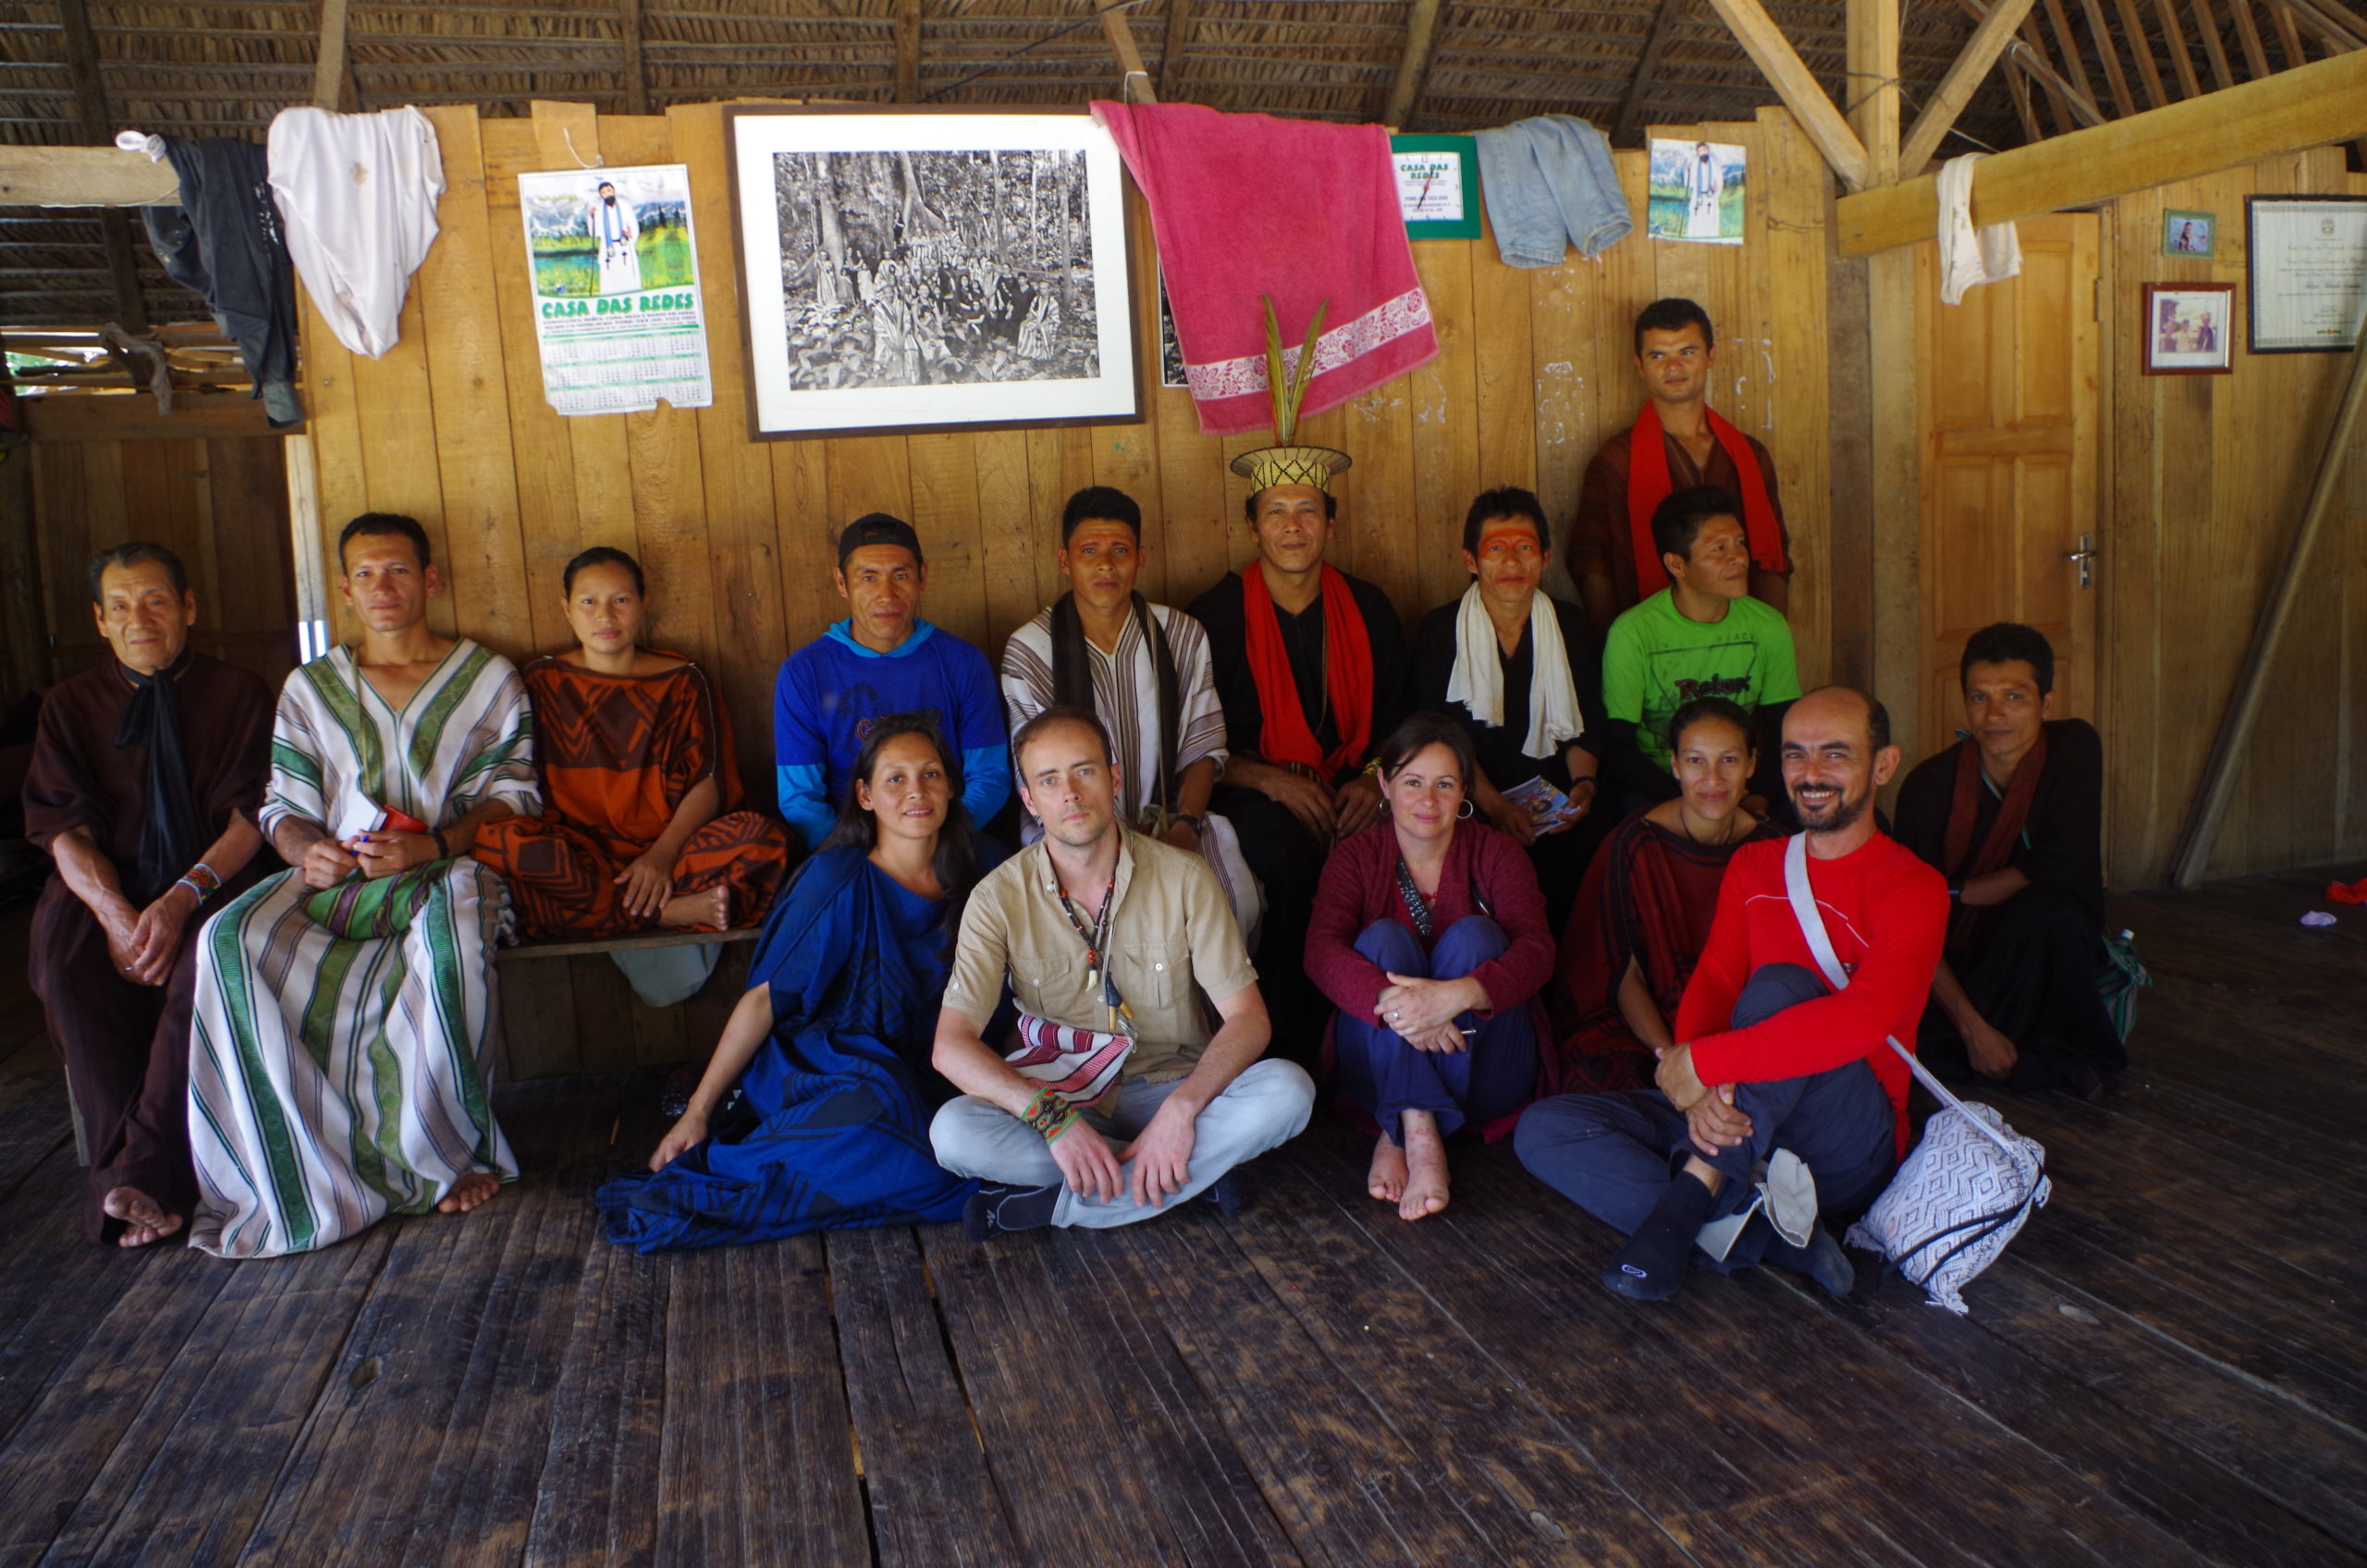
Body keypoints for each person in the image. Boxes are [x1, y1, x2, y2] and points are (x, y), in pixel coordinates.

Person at [1515, 687, 1946, 1302]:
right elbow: (1716, 981)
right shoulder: (1756, 864)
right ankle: (1762, 1237)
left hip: (1845, 1137)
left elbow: (1861, 1021)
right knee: (1546, 1128)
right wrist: (1698, 1087)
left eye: (1835, 754)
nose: (1811, 773)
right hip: (1741, 1110)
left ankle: (1693, 1194)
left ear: (1883, 765)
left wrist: (1702, 1064)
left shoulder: (1913, 885)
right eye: (1796, 754)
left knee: (1782, 985)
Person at [187, 513, 538, 1258]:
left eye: (399, 570)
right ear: (345, 589)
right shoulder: (311, 688)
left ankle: (446, 1157)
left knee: (453, 941)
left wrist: (432, 845)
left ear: (430, 580)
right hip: (335, 880)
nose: (383, 587)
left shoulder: (486, 678)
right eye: (366, 574)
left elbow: (515, 796)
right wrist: (306, 850)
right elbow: (281, 806)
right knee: (228, 937)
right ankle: (302, 1166)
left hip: (444, 869)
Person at [595, 716, 994, 1250]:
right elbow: (763, 1000)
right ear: (865, 795)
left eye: (931, 774)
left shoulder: (980, 873)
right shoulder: (837, 877)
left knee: (959, 1141)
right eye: (895, 778)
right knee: (879, 1106)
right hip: (821, 1064)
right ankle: (741, 1182)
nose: (916, 791)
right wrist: (697, 1113)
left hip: (926, 1065)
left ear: (951, 787)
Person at [928, 706, 1315, 1238]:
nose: (1070, 793)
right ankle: (1184, 1175)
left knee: (1289, 1090)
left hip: (1173, 1087)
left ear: (1113, 778)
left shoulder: (1185, 877)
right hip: (1063, 1096)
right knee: (953, 1133)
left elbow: (1248, 1018)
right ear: (1030, 800)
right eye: (1049, 780)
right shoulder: (996, 898)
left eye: (1084, 771)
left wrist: (1180, 1113)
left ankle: (1061, 1203)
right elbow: (950, 1046)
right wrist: (1053, 1121)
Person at [24, 544, 276, 1247]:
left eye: (157, 600)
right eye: (121, 606)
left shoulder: (239, 693)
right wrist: (116, 916)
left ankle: (136, 1177)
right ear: (100, 621)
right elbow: (64, 830)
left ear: (188, 608)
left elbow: (250, 819)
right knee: (66, 965)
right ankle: (134, 1177)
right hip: (107, 883)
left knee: (205, 958)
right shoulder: (70, 706)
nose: (140, 619)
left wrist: (180, 900)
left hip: (214, 875)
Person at [1187, 443, 1407, 1060]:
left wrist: (1371, 780)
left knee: (1392, 844)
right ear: (1252, 526)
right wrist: (1270, 781)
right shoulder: (1216, 615)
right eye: (1276, 512)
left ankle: (1380, 1033)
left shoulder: (1369, 607)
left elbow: (1400, 722)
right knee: (1282, 850)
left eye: (1308, 510)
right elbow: (1199, 739)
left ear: (1330, 523)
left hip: (1355, 782)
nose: (1293, 526)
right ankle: (1289, 1042)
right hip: (1251, 787)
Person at [1305, 714, 1555, 1222]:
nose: (1428, 800)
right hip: (1375, 1067)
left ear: (1465, 790)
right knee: (1382, 940)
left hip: (1488, 1071)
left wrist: (1455, 996)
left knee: (1475, 937)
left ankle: (1396, 1128)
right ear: (1384, 783)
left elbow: (1538, 952)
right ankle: (1417, 1131)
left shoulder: (1497, 853)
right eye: (1413, 782)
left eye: (1444, 784)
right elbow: (1320, 952)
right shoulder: (1356, 857)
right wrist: (1396, 1001)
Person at [472, 545, 790, 940]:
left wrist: (661, 856)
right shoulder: (542, 680)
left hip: (673, 851)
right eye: (589, 602)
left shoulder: (683, 680)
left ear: (644, 603)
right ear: (566, 608)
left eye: (621, 600)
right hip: (577, 855)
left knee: (763, 838)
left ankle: (605, 912)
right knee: (496, 845)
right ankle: (669, 912)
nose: (605, 616)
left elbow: (710, 780)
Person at [1000, 484, 1262, 939]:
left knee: (1233, 905)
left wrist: (1184, 828)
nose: (1106, 564)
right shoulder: (1030, 651)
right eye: (1089, 550)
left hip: (1172, 822)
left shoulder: (1181, 635)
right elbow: (1039, 776)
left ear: (1141, 558)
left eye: (1120, 550)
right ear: (1064, 560)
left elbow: (1203, 749)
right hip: (1068, 832)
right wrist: (1103, 848)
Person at [1894, 622, 2123, 1097]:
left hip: (2050, 948)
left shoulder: (2072, 749)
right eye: (1979, 697)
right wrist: (1973, 1028)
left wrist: (1956, 892)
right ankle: (2014, 1056)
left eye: (2014, 697)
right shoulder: (1929, 787)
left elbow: (2061, 865)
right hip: (1957, 966)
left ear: (2046, 704)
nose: (1994, 715)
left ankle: (2030, 1056)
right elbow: (1911, 923)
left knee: (2050, 911)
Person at [1552, 696, 1778, 1096]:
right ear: (1674, 765)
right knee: (1597, 1080)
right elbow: (1624, 976)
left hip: (1740, 1026)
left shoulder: (1774, 849)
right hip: (1651, 1030)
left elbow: (1778, 978)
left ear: (1751, 765)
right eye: (1695, 761)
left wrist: (1718, 1059)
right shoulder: (1636, 843)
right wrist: (1674, 1062)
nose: (1712, 778)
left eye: (1728, 760)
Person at [1410, 484, 1608, 931]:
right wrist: (1496, 807)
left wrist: (1584, 786)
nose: (1512, 563)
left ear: (1546, 557)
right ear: (1471, 561)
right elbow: (1442, 737)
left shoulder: (1570, 624)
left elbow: (1587, 724)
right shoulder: (1441, 630)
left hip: (1556, 795)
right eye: (1496, 549)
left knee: (1594, 842)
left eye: (1525, 548)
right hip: (1471, 796)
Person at [773, 512, 1010, 851]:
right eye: (868, 577)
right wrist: (865, 860)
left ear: (922, 577)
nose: (887, 594)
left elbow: (989, 778)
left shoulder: (963, 663)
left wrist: (930, 847)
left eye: (900, 575)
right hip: (848, 849)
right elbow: (801, 800)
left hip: (949, 842)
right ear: (842, 583)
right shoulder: (804, 673)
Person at [1570, 298, 1792, 626]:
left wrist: (1770, 636)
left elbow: (1773, 558)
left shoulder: (1750, 455)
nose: (1673, 367)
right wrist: (1618, 646)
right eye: (1658, 355)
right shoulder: (1616, 460)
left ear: (1710, 356)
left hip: (1741, 636)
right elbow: (1594, 567)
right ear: (1639, 364)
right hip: (1653, 638)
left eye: (1687, 352)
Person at [1597, 484, 1799, 817]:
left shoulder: (1767, 625)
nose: (1738, 557)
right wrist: (1686, 803)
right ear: (1677, 564)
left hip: (1742, 783)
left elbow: (1786, 729)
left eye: (1740, 543)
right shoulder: (1633, 633)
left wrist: (1759, 795)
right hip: (1662, 783)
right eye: (1719, 548)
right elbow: (1619, 746)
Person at [588, 178, 641, 295]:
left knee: (627, 272)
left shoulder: (625, 206)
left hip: (624, 246)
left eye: (609, 190)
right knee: (610, 274)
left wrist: (632, 234)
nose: (607, 194)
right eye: (604, 192)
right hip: (608, 247)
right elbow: (593, 232)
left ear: (614, 191)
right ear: (601, 195)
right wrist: (591, 217)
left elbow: (633, 224)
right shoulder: (598, 210)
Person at [1683, 142, 1724, 239]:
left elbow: (1719, 180)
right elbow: (1688, 183)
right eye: (1700, 151)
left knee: (1710, 218)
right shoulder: (1693, 164)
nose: (1703, 152)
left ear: (1708, 150)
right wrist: (1687, 171)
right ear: (1698, 153)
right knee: (1697, 219)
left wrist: (1716, 188)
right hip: (1697, 197)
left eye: (1705, 150)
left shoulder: (1715, 164)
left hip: (1710, 197)